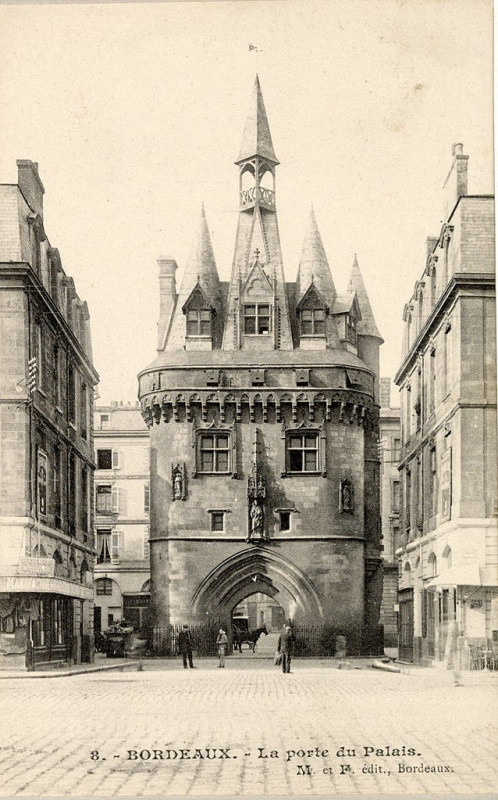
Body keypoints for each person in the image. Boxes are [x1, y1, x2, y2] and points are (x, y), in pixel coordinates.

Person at [445, 619, 462, 686]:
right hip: (454, 651)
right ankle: (455, 681)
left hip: (455, 651)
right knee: (455, 666)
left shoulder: (453, 635)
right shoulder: (453, 636)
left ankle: (456, 681)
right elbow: (450, 644)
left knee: (455, 666)